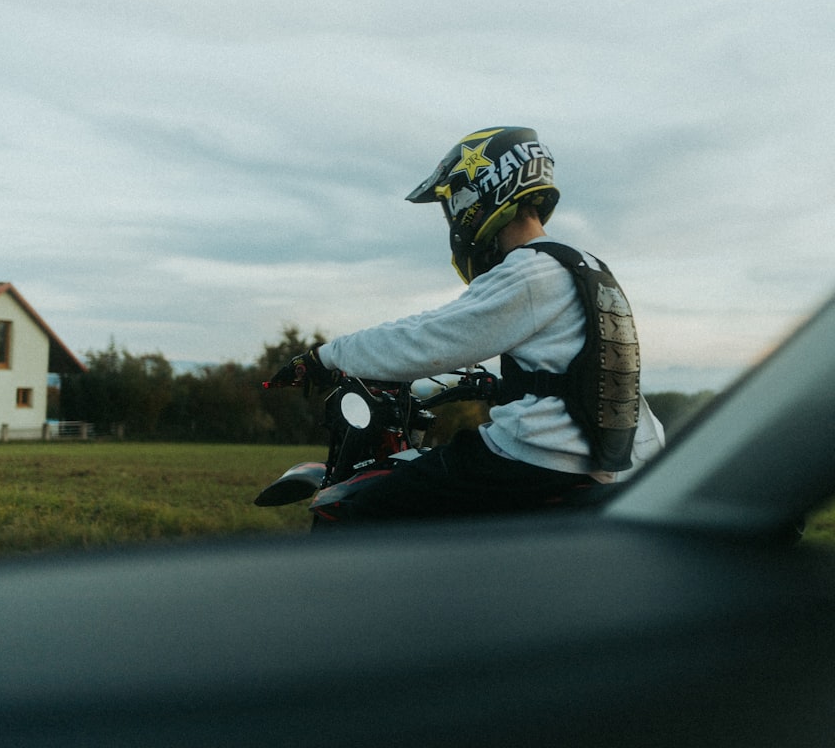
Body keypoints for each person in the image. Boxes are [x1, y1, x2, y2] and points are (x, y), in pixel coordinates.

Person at [272, 126, 665, 523]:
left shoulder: (531, 269)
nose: (454, 215)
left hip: (540, 457)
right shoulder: (582, 263)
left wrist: (326, 356)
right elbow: (577, 364)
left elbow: (427, 340)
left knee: (361, 502)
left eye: (453, 201)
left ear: (480, 188)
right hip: (613, 454)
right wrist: (503, 386)